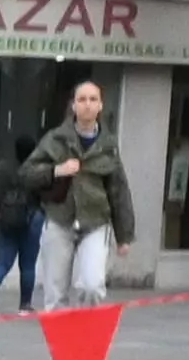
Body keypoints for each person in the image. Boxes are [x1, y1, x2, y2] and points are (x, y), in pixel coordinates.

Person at [22, 79, 130, 307]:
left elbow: (118, 190)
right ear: (73, 106)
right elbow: (26, 173)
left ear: (101, 105)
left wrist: (124, 236)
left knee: (93, 285)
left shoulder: (108, 145)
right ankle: (61, 341)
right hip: (60, 221)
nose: (87, 105)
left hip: (95, 222)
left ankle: (87, 337)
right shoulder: (55, 138)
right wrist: (56, 170)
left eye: (93, 99)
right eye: (82, 99)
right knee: (55, 293)